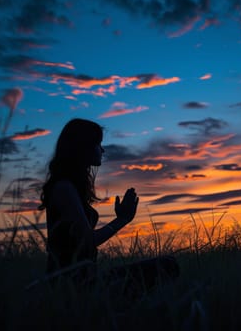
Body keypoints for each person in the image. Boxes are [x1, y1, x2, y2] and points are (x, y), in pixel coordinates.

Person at [39, 118, 179, 295]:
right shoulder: (64, 188)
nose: (102, 150)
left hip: (85, 278)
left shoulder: (70, 187)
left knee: (166, 265)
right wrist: (122, 219)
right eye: (98, 144)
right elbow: (88, 241)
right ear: (83, 147)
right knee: (167, 266)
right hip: (72, 284)